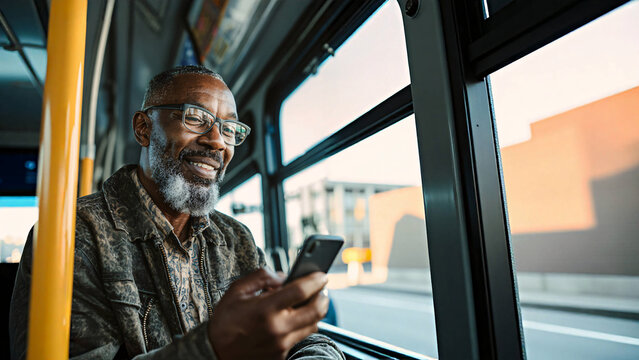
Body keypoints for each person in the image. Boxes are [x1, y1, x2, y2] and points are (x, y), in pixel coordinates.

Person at [10, 65, 345, 360]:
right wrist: (211, 350)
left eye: (229, 129)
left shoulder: (236, 239)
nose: (217, 142)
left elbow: (299, 337)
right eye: (195, 118)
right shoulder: (73, 235)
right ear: (144, 128)